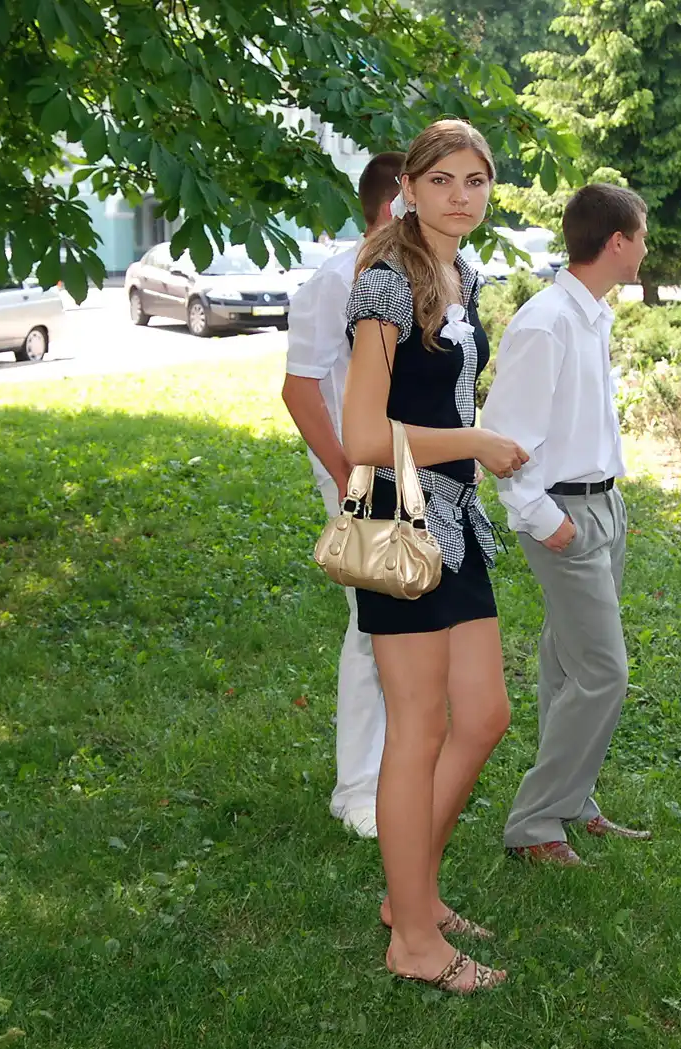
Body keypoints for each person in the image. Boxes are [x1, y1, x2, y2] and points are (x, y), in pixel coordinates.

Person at [342, 119, 530, 994]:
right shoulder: (385, 284)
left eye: (476, 180)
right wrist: (474, 442)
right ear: (409, 189)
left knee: (483, 713)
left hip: (454, 519)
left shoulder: (464, 275)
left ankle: (410, 894)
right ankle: (413, 938)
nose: (462, 195)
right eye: (444, 179)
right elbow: (360, 435)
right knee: (417, 729)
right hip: (400, 522)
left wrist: (471, 454)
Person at [482, 184, 651, 867]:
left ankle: (572, 801)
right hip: (562, 512)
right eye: (642, 236)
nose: (646, 248)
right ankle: (533, 822)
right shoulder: (546, 322)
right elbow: (503, 436)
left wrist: (606, 509)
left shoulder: (591, 315)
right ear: (617, 241)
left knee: (565, 666)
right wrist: (543, 517)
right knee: (604, 672)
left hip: (601, 506)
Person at [282, 151, 406, 838]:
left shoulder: (420, 277)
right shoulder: (336, 281)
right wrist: (344, 476)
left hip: (414, 475)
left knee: (410, 629)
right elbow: (300, 388)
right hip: (359, 480)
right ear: (396, 203)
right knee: (371, 631)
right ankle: (357, 789)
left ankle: (397, 774)